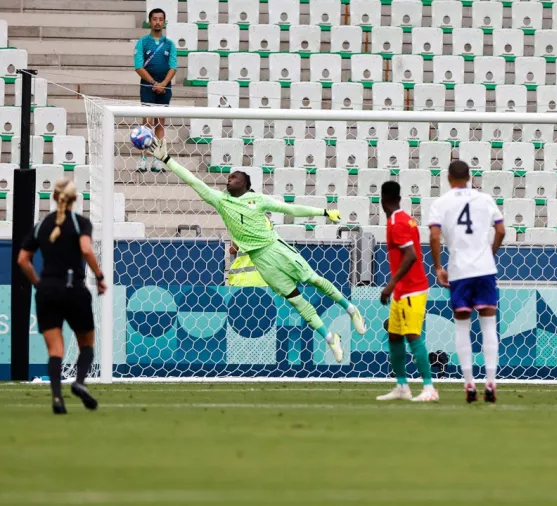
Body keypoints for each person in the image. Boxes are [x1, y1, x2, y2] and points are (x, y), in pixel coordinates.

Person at [148, 140, 366, 362]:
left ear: (244, 183)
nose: (229, 179)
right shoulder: (221, 201)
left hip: (276, 248)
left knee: (314, 280)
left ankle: (351, 310)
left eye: (234, 177)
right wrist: (167, 160)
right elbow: (193, 181)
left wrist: (323, 212)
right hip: (261, 260)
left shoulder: (257, 199)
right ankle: (330, 339)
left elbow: (290, 208)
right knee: (296, 301)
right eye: (229, 176)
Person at [17, 179, 108, 414]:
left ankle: (57, 398)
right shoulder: (80, 223)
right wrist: (99, 276)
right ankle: (79, 382)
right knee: (86, 343)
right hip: (74, 289)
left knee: (55, 350)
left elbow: (22, 261)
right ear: (75, 199)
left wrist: (38, 283)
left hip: (47, 290)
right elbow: (87, 249)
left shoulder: (41, 226)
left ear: (55, 198)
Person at [428, 161, 505, 403]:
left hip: (459, 269)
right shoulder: (485, 199)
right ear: (470, 177)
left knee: (463, 326)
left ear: (449, 178)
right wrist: (489, 255)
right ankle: (491, 382)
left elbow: (434, 234)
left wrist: (439, 267)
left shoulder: (441, 203)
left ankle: (469, 384)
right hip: (484, 269)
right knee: (489, 325)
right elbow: (501, 230)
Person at [375, 182, 438, 402]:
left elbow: (411, 256)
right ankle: (402, 386)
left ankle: (429, 389)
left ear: (383, 200)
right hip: (403, 290)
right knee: (394, 335)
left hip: (412, 289)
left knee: (413, 336)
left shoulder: (397, 222)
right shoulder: (406, 219)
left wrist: (390, 284)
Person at [134, 7, 177, 172]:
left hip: (165, 87)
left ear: (164, 21)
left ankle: (158, 160)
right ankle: (143, 159)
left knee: (160, 122)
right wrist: (153, 83)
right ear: (150, 21)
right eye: (155, 19)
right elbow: (138, 66)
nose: (158, 22)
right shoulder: (143, 42)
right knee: (147, 123)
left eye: (160, 19)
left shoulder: (170, 44)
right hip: (147, 86)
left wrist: (164, 83)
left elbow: (173, 66)